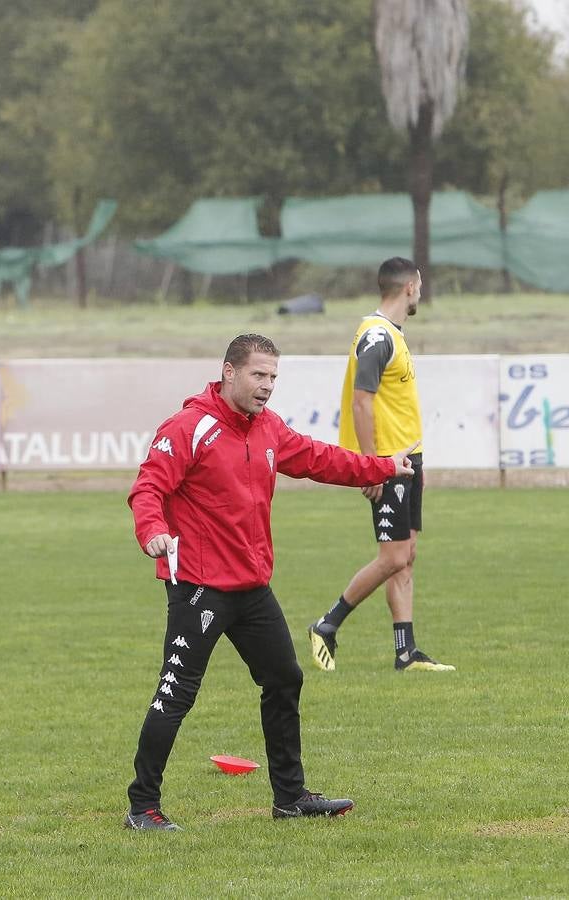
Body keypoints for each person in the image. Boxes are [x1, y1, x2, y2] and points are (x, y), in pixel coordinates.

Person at [122, 333, 418, 830]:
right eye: (259, 375)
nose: (267, 386)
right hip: (199, 587)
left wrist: (382, 466)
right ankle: (142, 807)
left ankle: (290, 798)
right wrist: (153, 532)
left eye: (274, 377)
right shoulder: (188, 427)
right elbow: (148, 487)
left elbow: (321, 458)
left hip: (251, 589)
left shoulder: (269, 428)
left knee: (284, 679)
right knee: (176, 693)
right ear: (229, 372)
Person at [307, 257, 454, 673]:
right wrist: (373, 465)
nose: (420, 293)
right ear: (411, 286)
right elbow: (361, 400)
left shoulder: (392, 334)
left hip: (406, 461)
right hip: (389, 464)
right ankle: (326, 624)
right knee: (392, 557)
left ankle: (405, 653)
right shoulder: (376, 336)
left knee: (406, 555)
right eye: (420, 287)